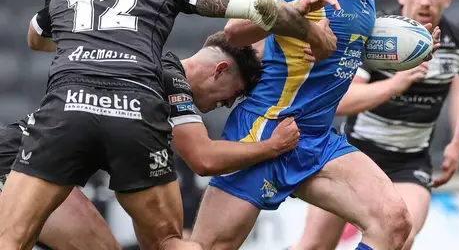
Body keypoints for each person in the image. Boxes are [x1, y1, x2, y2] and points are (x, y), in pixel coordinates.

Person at [0, 0, 340, 249]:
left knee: (13, 238)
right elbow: (253, 5)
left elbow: (34, 37)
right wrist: (304, 24)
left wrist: (88, 42)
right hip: (131, 106)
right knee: (167, 241)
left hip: (66, 110)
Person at [190, 0, 440, 250]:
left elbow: (349, 44)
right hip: (267, 128)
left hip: (317, 139)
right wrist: (293, 12)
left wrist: (408, 50)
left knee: (394, 223)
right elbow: (235, 32)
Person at [0, 31, 303, 250]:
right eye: (232, 95)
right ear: (220, 70)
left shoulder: (149, 74)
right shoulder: (168, 79)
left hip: (29, 156)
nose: (224, 104)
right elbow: (204, 158)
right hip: (17, 160)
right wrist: (272, 146)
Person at [291, 0, 459, 250]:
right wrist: (397, 83)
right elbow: (343, 101)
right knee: (314, 246)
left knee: (400, 237)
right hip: (354, 153)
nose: (425, 0)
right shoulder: (375, 33)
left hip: (409, 163)